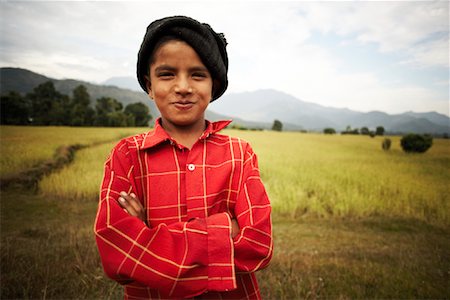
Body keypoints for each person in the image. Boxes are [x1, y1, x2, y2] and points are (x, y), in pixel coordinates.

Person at [94, 15, 273, 299]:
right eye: (167, 74)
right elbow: (118, 254)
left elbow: (258, 244)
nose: (183, 87)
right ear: (149, 85)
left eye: (197, 74)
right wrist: (223, 231)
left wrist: (148, 235)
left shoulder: (239, 155)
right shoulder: (127, 156)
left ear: (214, 85)